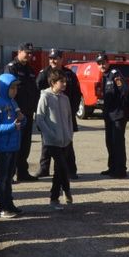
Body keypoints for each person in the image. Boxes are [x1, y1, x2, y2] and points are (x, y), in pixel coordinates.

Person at [35, 49, 81, 179]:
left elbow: (77, 94)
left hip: (66, 113)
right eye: (50, 58)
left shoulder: (69, 74)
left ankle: (71, 170)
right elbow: (37, 91)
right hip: (51, 116)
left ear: (61, 59)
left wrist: (72, 110)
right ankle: (44, 169)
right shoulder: (44, 74)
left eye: (55, 58)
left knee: (68, 143)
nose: (52, 61)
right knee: (46, 144)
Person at [0, 73, 24, 218]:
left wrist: (22, 119)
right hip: (4, 147)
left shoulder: (14, 103)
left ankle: (9, 203)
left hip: (14, 146)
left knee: (9, 177)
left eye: (15, 88)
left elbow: (20, 124)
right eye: (11, 88)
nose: (14, 91)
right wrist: (13, 127)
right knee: (2, 177)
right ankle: (1, 206)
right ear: (4, 88)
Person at [35, 69, 74, 210]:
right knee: (62, 166)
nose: (64, 84)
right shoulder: (45, 97)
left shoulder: (65, 98)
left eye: (65, 81)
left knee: (60, 170)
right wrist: (50, 134)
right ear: (53, 83)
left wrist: (69, 134)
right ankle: (62, 192)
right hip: (52, 141)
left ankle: (57, 196)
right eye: (61, 82)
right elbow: (39, 119)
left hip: (65, 141)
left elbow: (70, 118)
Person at [4, 42, 39, 182]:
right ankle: (10, 174)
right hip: (16, 114)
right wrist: (15, 111)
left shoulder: (30, 70)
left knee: (25, 145)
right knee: (14, 145)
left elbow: (34, 92)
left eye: (31, 53)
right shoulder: (11, 68)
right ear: (19, 51)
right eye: (27, 52)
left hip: (28, 113)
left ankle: (22, 172)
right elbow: (8, 91)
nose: (29, 55)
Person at [97, 53, 129, 179]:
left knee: (118, 143)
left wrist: (123, 108)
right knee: (110, 142)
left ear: (108, 62)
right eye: (99, 63)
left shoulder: (115, 73)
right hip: (109, 115)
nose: (102, 65)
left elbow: (125, 91)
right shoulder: (105, 76)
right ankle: (112, 168)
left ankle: (121, 170)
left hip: (118, 115)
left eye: (103, 62)